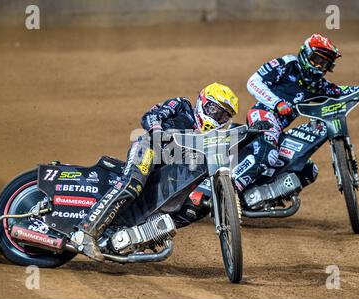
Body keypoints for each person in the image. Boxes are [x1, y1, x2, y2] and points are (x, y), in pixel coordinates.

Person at [71, 82, 239, 261]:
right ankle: (85, 233)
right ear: (202, 102)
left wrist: (258, 128)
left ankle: (140, 235)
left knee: (192, 208)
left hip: (169, 171)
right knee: (133, 184)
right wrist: (157, 130)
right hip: (150, 148)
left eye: (223, 116)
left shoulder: (213, 137)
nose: (217, 117)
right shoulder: (181, 105)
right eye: (215, 110)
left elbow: (239, 137)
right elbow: (151, 115)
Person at [232, 33, 359, 191]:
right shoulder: (287, 64)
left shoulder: (318, 84)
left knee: (308, 171)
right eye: (317, 60)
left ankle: (264, 195)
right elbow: (253, 81)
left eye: (325, 63)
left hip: (279, 128)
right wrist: (277, 103)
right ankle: (229, 192)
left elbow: (340, 92)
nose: (319, 66)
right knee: (268, 155)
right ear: (305, 53)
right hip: (263, 114)